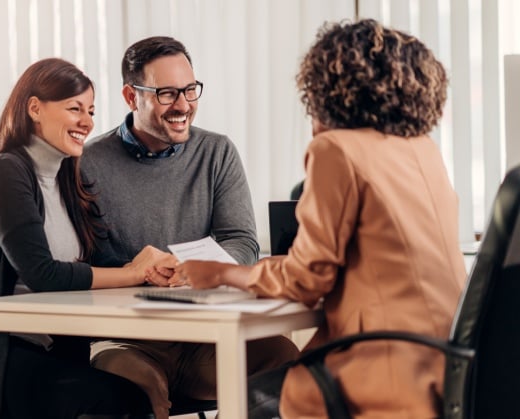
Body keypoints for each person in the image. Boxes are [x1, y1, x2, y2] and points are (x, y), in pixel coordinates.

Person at [0, 37, 299, 419]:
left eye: (189, 90)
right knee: (131, 392)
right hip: (124, 337)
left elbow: (241, 241)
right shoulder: (81, 160)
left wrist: (196, 270)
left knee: (286, 360)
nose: (183, 105)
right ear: (132, 97)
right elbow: (53, 235)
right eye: (166, 93)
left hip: (207, 335)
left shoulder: (217, 152)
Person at [173, 19, 466, 418]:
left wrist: (221, 274)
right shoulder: (421, 149)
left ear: (327, 86)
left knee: (245, 403)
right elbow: (378, 260)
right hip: (448, 364)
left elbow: (306, 282)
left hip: (384, 366)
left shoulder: (336, 150)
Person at [0, 57, 174, 419]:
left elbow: (94, 261)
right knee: (122, 402)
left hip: (50, 348)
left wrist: (152, 267)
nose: (87, 120)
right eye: (74, 108)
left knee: (130, 397)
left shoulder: (67, 177)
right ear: (35, 108)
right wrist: (133, 273)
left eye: (91, 110)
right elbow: (43, 274)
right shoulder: (6, 171)